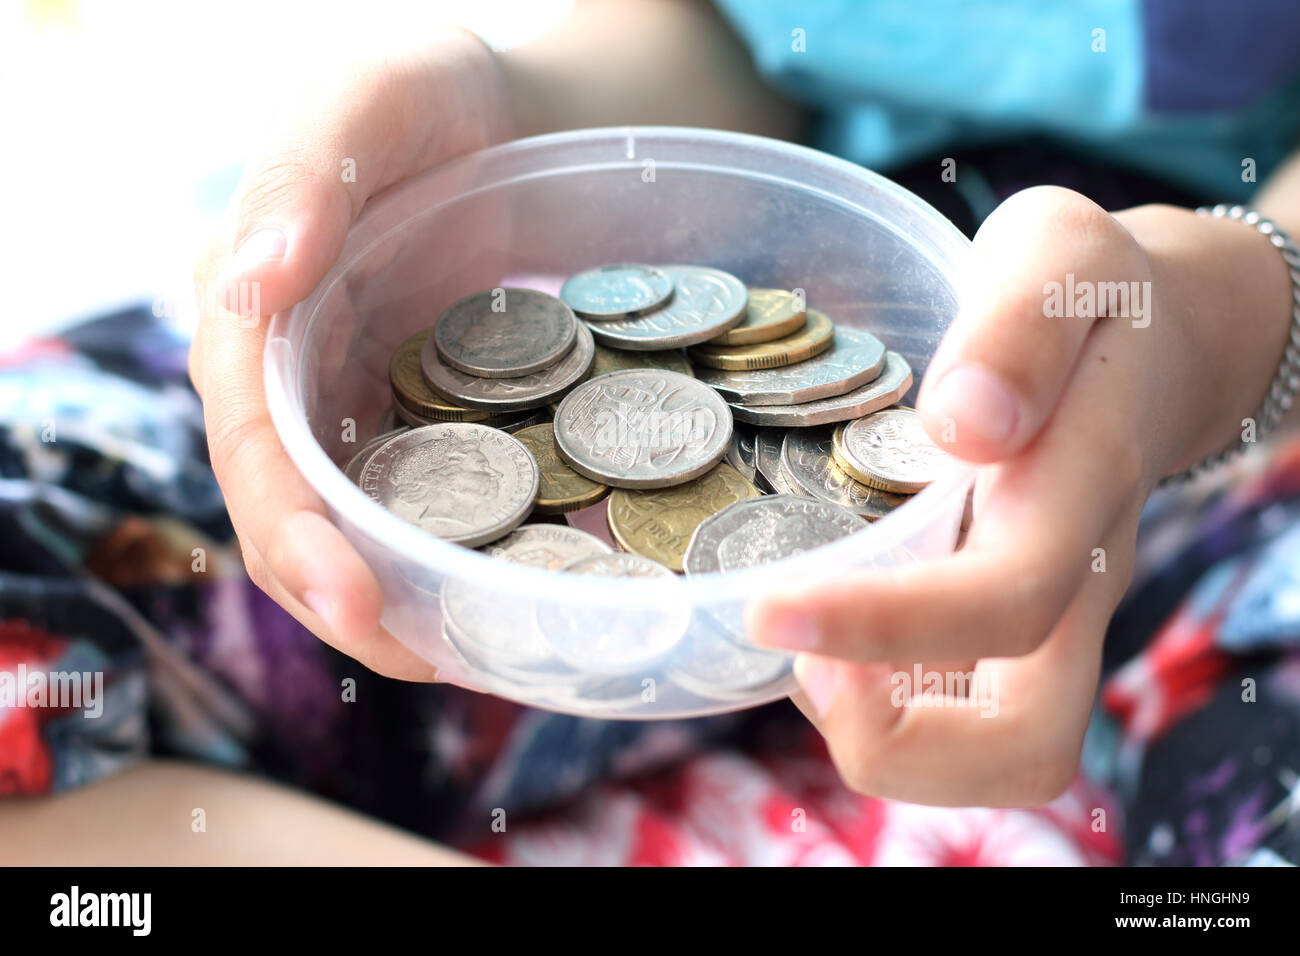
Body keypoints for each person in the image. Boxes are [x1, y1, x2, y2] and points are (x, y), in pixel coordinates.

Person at [11, 0, 1297, 863]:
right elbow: (731, 34)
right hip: (657, 290)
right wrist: (515, 112)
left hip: (1222, 381)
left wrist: (1230, 324)